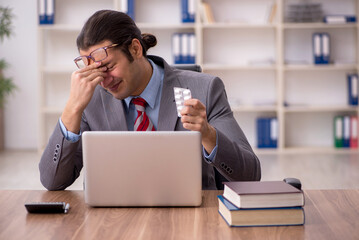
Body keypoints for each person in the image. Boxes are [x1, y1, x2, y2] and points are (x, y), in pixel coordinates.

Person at [39, 10, 261, 191]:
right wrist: (72, 108)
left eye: (108, 67)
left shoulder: (205, 89)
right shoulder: (90, 100)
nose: (103, 82)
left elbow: (250, 176)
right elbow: (52, 182)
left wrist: (208, 134)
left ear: (135, 49)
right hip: (113, 221)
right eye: (94, 72)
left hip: (190, 218)